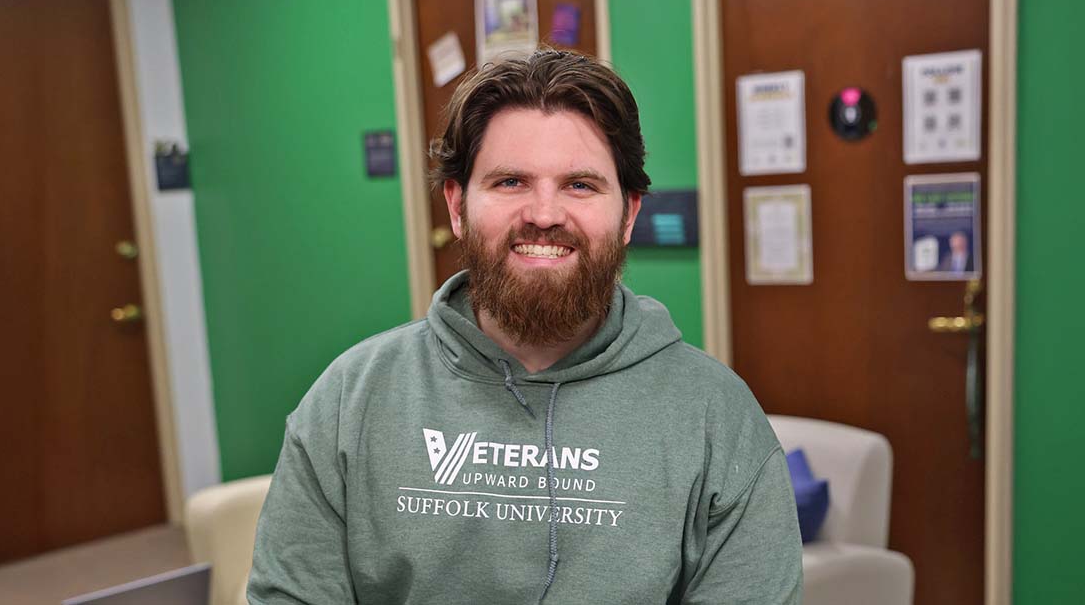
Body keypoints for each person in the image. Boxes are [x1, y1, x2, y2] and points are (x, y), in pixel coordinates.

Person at [247, 49, 803, 604]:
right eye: (511, 181)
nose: (543, 213)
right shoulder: (349, 400)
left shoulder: (716, 419)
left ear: (629, 214)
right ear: (457, 206)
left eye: (580, 185)